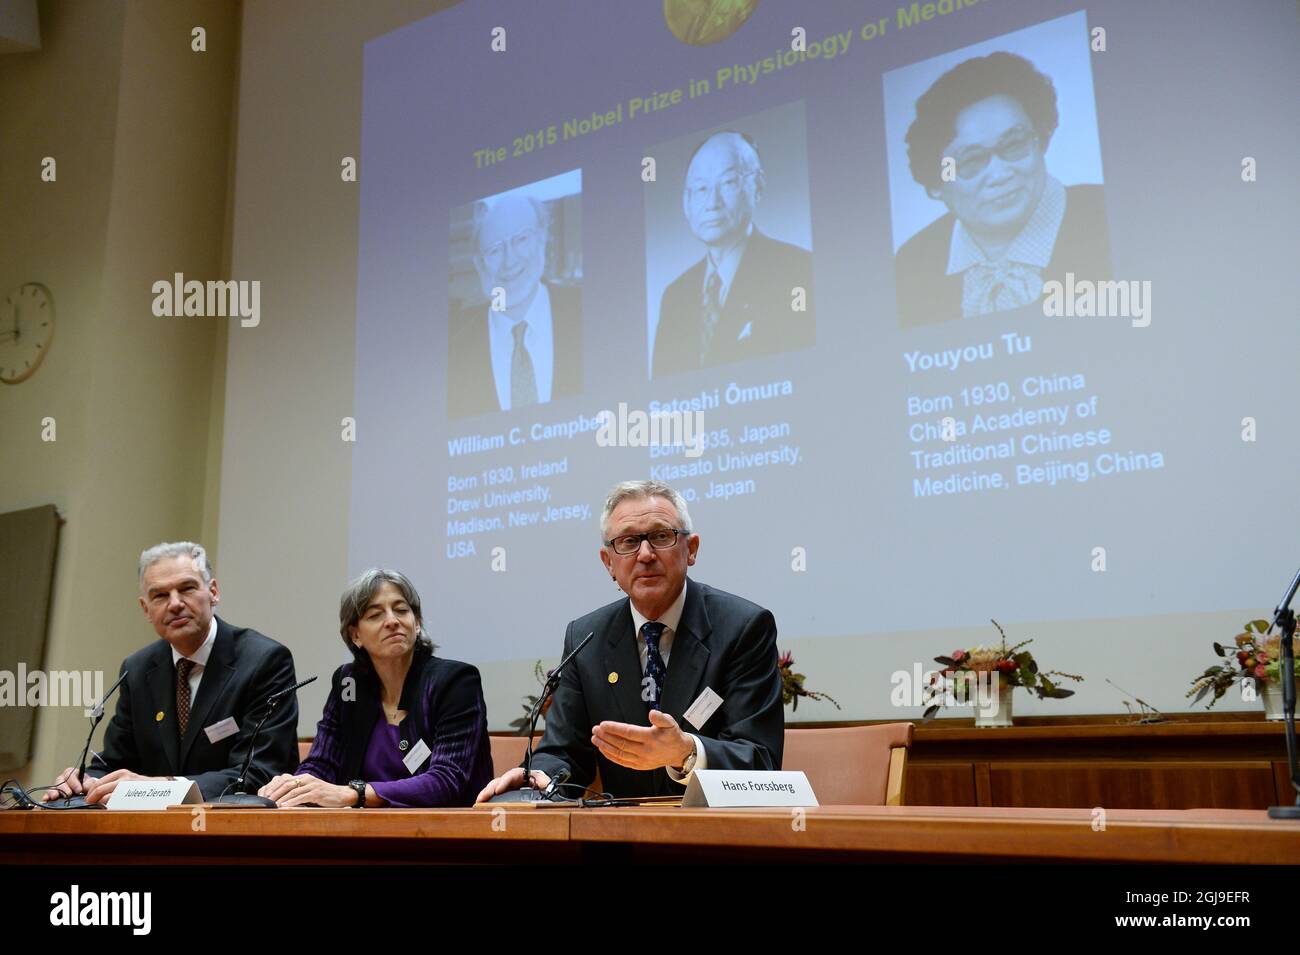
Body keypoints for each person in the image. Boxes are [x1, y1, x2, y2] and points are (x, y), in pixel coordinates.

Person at [476, 479, 783, 802]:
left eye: (661, 536)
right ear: (608, 562)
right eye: (628, 542)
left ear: (690, 549)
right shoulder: (586, 638)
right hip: (622, 838)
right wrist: (541, 777)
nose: (646, 554)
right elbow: (564, 752)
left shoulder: (743, 627)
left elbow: (760, 758)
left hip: (717, 835)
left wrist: (687, 754)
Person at [44, 542, 298, 804]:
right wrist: (85, 781)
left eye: (187, 588)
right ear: (146, 609)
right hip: (154, 834)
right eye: (160, 596)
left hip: (232, 831)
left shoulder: (264, 660)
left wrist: (165, 786)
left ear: (213, 592)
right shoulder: (138, 669)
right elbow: (116, 762)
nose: (175, 604)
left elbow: (260, 772)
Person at [894, 51, 1112, 327]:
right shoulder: (913, 262)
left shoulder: (1110, 212)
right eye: (971, 160)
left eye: (1014, 144)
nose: (999, 174)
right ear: (936, 184)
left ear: (1040, 141)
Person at [259, 568, 492, 807]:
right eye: (375, 615)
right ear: (355, 635)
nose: (392, 621)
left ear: (417, 623)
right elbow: (323, 763)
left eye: (401, 610)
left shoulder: (456, 681)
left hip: (448, 832)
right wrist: (294, 787)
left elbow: (446, 781)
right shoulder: (348, 683)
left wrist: (355, 793)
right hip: (362, 832)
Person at [652, 131, 815, 379]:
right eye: (701, 188)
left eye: (728, 183)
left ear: (757, 187)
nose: (712, 203)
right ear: (686, 202)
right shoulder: (675, 296)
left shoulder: (798, 271)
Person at [447, 194, 582, 419]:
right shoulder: (454, 347)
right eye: (494, 251)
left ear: (542, 238)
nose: (509, 261)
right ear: (479, 264)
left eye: (521, 240)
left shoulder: (587, 312)